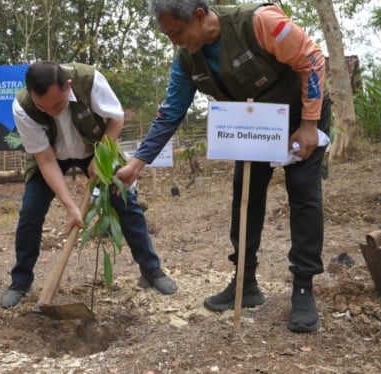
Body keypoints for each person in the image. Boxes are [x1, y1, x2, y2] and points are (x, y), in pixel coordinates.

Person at [116, 1, 331, 333]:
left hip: (300, 115)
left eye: (177, 32)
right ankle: (244, 283)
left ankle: (303, 287)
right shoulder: (187, 60)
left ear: (200, 16)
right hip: (255, 126)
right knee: (244, 199)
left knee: (303, 195)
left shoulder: (259, 22)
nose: (174, 41)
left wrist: (309, 122)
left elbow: (312, 59)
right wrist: (138, 163)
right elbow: (170, 111)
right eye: (168, 35)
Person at [0, 61, 178, 309]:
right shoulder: (23, 107)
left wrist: (101, 153)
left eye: (58, 104)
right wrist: (72, 206)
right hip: (52, 155)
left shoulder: (90, 81)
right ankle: (20, 282)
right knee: (30, 212)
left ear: (68, 87)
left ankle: (151, 271)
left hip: (96, 145)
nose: (51, 112)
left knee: (123, 199)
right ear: (31, 95)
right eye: (43, 107)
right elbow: (45, 158)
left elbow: (116, 120)